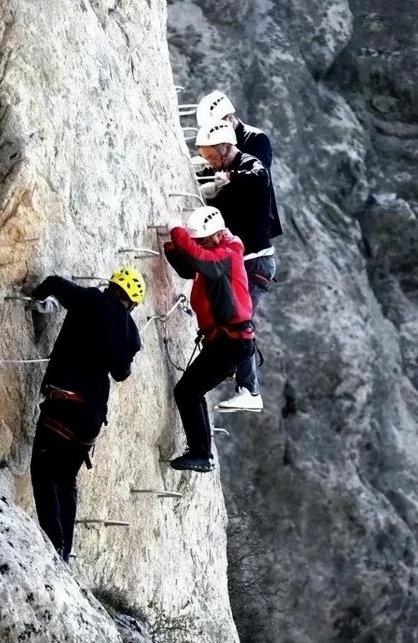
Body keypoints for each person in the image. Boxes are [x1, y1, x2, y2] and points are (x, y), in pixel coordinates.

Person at [29, 268, 144, 561]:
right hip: (92, 416)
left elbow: (54, 283)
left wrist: (36, 299)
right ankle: (65, 550)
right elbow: (122, 372)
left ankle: (53, 546)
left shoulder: (92, 299)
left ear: (111, 287)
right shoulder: (132, 334)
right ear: (132, 303)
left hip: (65, 403)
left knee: (44, 475)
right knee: (66, 480)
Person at [164, 206, 255, 472]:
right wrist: (172, 248)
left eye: (203, 240)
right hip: (226, 342)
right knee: (191, 391)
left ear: (217, 234)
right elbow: (190, 268)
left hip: (230, 342)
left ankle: (202, 453)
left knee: (188, 392)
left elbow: (201, 259)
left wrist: (177, 230)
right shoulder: (217, 257)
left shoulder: (226, 255)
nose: (200, 245)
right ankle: (202, 452)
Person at [195, 122, 274, 412]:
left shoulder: (248, 164)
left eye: (213, 157)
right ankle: (236, 373)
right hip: (248, 264)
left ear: (226, 148)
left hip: (257, 263)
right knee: (231, 322)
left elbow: (260, 175)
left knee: (240, 323)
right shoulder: (223, 168)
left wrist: (227, 178)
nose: (210, 162)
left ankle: (250, 389)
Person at [195, 90, 282, 240]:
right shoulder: (214, 142)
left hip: (252, 220)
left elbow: (258, 179)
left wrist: (227, 176)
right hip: (228, 219)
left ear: (228, 119)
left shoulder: (256, 139)